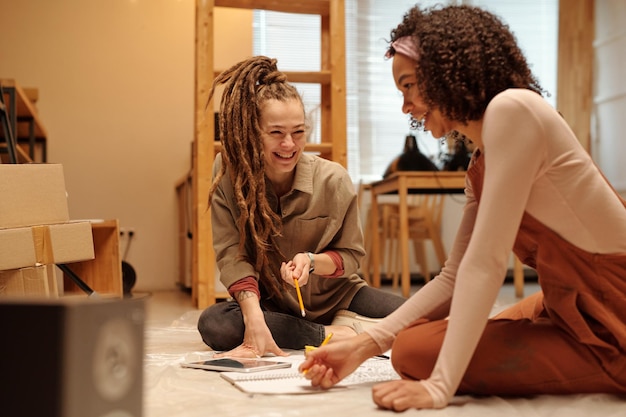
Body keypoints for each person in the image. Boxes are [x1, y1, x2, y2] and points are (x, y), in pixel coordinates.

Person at [300, 4, 626, 411]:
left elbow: (486, 263)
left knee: (414, 352)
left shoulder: (514, 109)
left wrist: (439, 387)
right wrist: (364, 346)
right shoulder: (480, 161)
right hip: (568, 303)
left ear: (444, 73)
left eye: (409, 85)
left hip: (614, 316)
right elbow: (454, 277)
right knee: (412, 344)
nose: (406, 107)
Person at [196, 56, 406, 358]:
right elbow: (232, 254)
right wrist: (254, 317)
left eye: (298, 132)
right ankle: (332, 335)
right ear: (253, 133)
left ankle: (308, 330)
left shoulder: (333, 180)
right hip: (271, 301)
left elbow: (351, 257)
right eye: (276, 133)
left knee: (420, 319)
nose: (289, 145)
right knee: (216, 325)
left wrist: (311, 260)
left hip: (339, 298)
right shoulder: (228, 172)